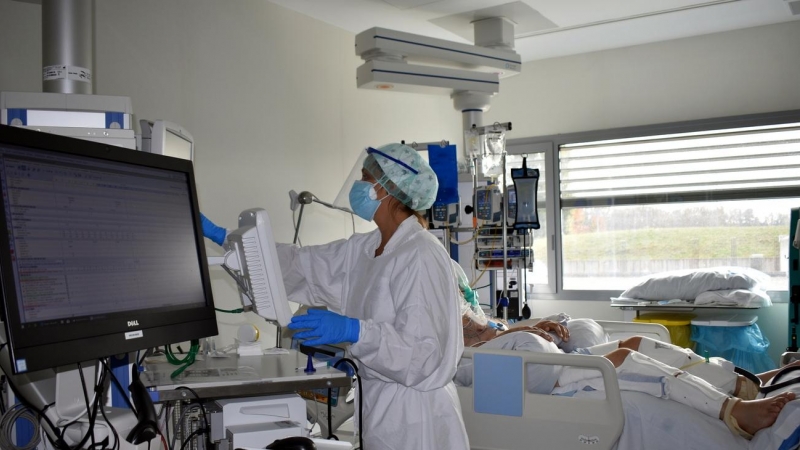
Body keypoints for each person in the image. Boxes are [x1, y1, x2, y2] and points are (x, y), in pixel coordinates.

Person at [202, 144, 469, 450]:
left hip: (418, 418)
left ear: (386, 189)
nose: (359, 184)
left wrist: (354, 331)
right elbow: (302, 264)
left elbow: (422, 356)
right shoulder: (365, 249)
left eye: (365, 177)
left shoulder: (420, 254)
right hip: (382, 408)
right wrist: (226, 238)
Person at [456, 305, 796, 440]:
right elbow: (466, 353)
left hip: (524, 349)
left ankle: (746, 385)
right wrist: (518, 334)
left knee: (637, 341)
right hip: (517, 372)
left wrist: (526, 326)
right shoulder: (433, 307)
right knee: (622, 357)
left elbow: (494, 329)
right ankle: (732, 411)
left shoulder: (454, 285)